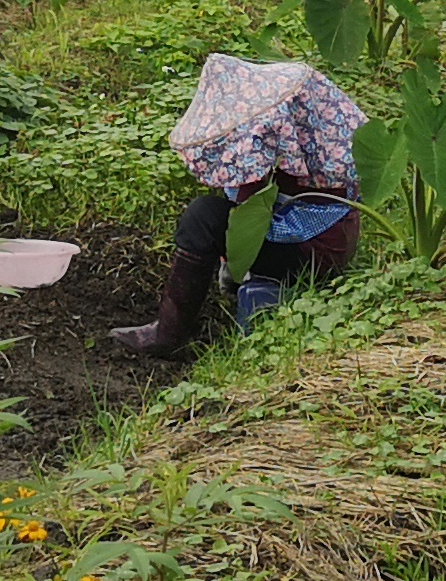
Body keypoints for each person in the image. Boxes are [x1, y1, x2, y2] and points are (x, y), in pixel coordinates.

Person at [111, 54, 365, 358]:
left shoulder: (278, 143)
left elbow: (246, 212)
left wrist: (232, 268)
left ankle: (167, 334)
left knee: (203, 216)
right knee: (215, 215)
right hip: (325, 250)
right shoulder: (320, 140)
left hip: (308, 257)